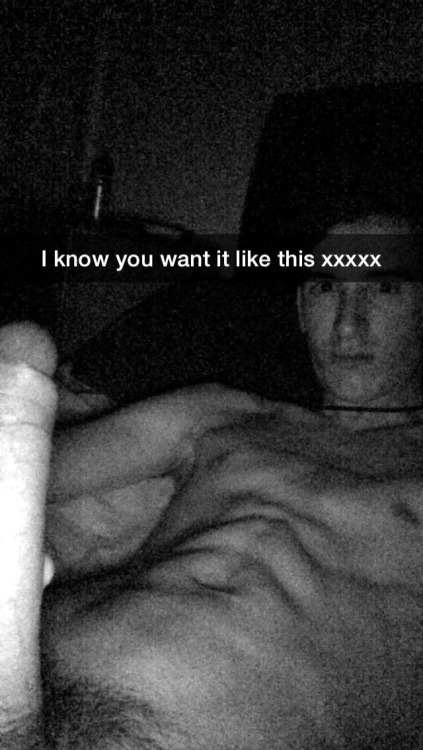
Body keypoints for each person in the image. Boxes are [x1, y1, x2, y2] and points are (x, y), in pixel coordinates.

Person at [1, 209, 423, 749]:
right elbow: (42, 471)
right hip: (33, 673)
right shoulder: (221, 414)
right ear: (300, 308)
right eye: (324, 287)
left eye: (384, 288)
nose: (347, 325)